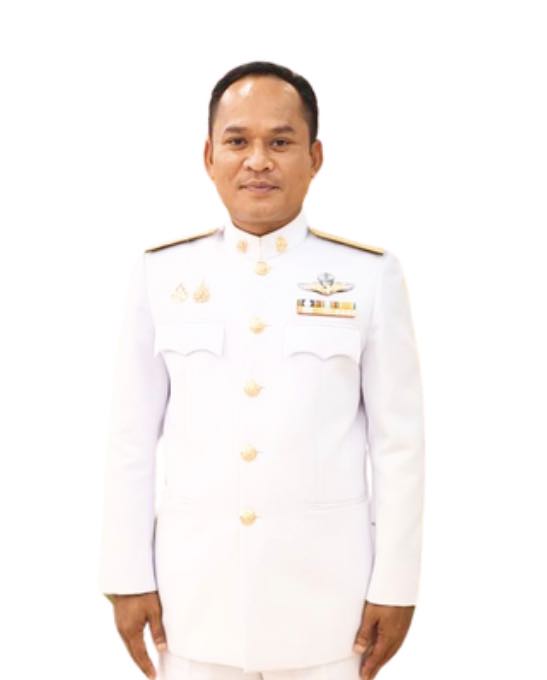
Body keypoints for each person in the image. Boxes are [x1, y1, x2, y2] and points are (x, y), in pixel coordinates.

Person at [98, 60, 426, 680]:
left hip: (329, 606)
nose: (257, 161)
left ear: (315, 156)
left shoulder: (367, 275)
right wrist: (126, 574)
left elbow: (399, 445)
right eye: (237, 141)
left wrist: (397, 584)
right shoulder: (162, 274)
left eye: (280, 142)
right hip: (193, 602)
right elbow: (130, 438)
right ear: (209, 156)